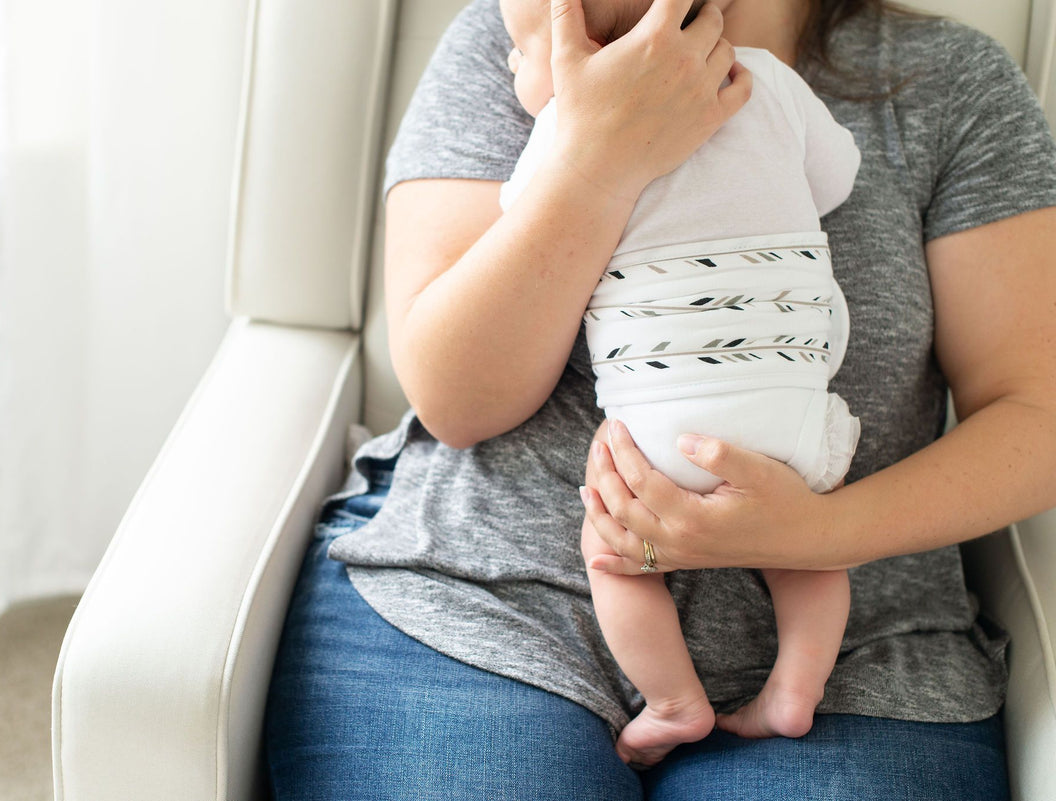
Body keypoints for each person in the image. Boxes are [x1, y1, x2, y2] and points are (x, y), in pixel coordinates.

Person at [263, 0, 1056, 797]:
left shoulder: (946, 82)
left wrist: (821, 533)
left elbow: (1035, 410)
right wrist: (597, 157)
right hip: (491, 606)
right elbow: (458, 402)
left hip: (861, 659)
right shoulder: (530, 32)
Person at [499, 0, 861, 765]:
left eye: (520, 51)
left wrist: (589, 156)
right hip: (793, 418)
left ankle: (672, 701)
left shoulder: (564, 131)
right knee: (815, 544)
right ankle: (796, 687)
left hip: (659, 442)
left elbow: (522, 221)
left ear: (585, 50)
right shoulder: (766, 79)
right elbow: (836, 180)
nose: (507, 67)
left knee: (611, 549)